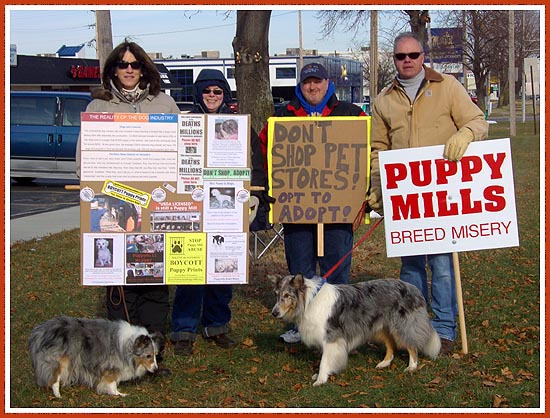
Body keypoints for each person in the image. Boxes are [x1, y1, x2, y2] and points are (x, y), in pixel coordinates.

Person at [368, 32, 489, 356]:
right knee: (410, 268)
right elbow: (378, 148)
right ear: (393, 59)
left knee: (443, 265)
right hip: (406, 197)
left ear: (423, 56)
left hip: (442, 194)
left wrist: (465, 133)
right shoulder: (383, 100)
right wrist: (378, 185)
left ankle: (446, 329)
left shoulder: (447, 86)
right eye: (400, 56)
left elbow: (478, 121)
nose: (407, 61)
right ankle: (416, 330)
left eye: (413, 55)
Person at [76, 40, 180, 375]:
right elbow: (83, 163)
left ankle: (152, 354)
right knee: (120, 283)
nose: (129, 70)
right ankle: (121, 356)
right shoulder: (97, 107)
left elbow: (184, 153)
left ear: (145, 67)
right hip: (115, 208)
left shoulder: (164, 103)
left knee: (154, 280)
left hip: (157, 207)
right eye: (123, 65)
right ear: (113, 70)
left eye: (135, 64)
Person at [258, 62, 367, 343]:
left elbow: (366, 152)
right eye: (307, 82)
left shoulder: (352, 114)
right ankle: (301, 326)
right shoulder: (282, 117)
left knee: (337, 274)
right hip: (297, 210)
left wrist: (362, 191)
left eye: (317, 82)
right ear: (301, 85)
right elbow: (263, 152)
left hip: (337, 211)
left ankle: (339, 328)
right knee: (301, 273)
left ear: (327, 83)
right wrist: (270, 187)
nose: (312, 87)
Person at [170, 69, 269, 356]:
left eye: (218, 91)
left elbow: (257, 161)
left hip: (226, 207)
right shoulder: (186, 123)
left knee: (223, 270)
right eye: (207, 91)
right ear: (198, 92)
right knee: (190, 271)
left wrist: (256, 193)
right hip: (192, 206)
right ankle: (184, 330)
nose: (212, 96)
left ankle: (217, 325)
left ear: (225, 95)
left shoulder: (239, 125)